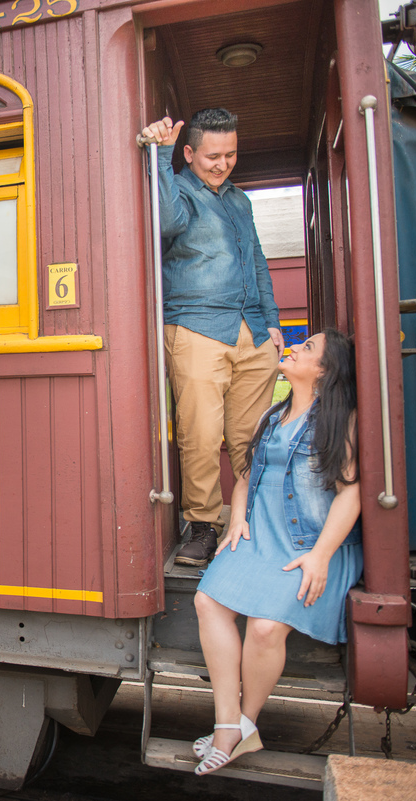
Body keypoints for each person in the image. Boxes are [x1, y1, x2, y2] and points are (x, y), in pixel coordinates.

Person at [190, 329, 363, 775]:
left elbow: (351, 494)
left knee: (266, 629)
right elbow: (247, 474)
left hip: (308, 544)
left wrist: (322, 555)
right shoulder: (273, 413)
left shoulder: (340, 420)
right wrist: (239, 517)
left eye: (307, 349)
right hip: (260, 534)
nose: (293, 349)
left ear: (325, 373)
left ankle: (246, 725)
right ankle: (228, 723)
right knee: (207, 600)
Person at [140, 109, 284, 566]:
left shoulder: (240, 201)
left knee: (253, 436)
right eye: (212, 156)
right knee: (199, 435)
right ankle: (203, 526)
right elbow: (163, 225)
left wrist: (274, 321)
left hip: (253, 331)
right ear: (189, 152)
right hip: (196, 327)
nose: (222, 163)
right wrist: (160, 156)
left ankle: (253, 521)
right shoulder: (177, 186)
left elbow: (257, 260)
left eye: (231, 154)